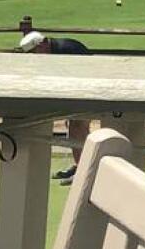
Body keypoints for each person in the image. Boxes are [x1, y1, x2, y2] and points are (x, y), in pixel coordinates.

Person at [16, 31, 94, 182]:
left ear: (42, 44)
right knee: (75, 127)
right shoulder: (52, 53)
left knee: (78, 127)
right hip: (77, 94)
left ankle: (83, 171)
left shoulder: (66, 50)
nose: (34, 56)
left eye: (34, 52)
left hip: (87, 93)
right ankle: (80, 166)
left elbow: (82, 75)